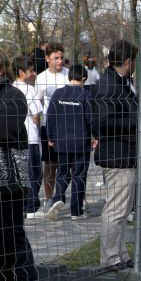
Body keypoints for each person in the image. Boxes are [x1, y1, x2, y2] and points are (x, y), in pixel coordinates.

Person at [0, 45, 38, 281]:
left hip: (8, 181)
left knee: (13, 238)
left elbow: (2, 129)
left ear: (0, 68)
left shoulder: (13, 95)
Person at [92, 40, 139, 269]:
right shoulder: (108, 84)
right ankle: (110, 258)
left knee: (121, 210)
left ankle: (120, 254)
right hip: (116, 156)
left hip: (125, 154)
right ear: (128, 61)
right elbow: (100, 123)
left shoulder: (119, 82)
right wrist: (135, 122)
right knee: (115, 210)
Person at [45, 64, 94, 221]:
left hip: (62, 143)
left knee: (63, 173)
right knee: (79, 176)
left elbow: (50, 117)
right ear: (84, 79)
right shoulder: (85, 94)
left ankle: (58, 198)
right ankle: (76, 210)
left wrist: (50, 137)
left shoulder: (58, 94)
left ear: (69, 76)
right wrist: (96, 136)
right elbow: (90, 119)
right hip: (81, 143)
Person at [34, 42, 69, 207]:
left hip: (69, 125)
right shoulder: (41, 78)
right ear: (47, 58)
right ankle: (49, 199)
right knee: (50, 164)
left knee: (70, 164)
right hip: (50, 125)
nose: (60, 61)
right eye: (56, 58)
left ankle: (75, 199)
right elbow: (37, 103)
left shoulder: (69, 75)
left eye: (61, 58)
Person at [11, 57, 44, 219]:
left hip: (15, 138)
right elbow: (36, 115)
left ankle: (23, 205)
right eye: (31, 71)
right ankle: (31, 207)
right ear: (21, 72)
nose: (34, 74)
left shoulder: (10, 89)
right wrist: (37, 128)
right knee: (35, 174)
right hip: (30, 138)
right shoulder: (29, 90)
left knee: (21, 175)